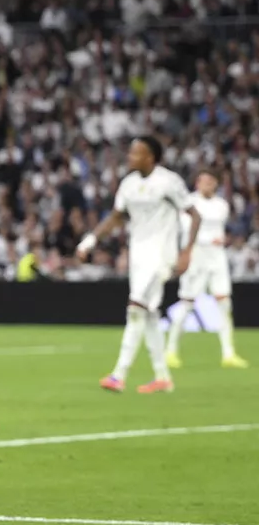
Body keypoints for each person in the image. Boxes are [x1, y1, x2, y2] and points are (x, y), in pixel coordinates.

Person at [76, 136, 201, 394]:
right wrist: (89, 241)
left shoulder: (168, 181)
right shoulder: (129, 184)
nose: (130, 157)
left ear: (150, 157)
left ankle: (118, 374)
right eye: (131, 152)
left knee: (136, 308)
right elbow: (116, 217)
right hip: (139, 255)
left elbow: (194, 214)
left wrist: (187, 251)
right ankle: (162, 377)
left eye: (136, 153)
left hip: (163, 254)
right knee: (150, 313)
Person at [165, 170, 248, 369]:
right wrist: (209, 240)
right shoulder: (189, 203)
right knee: (186, 304)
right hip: (195, 256)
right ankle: (170, 351)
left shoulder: (222, 205)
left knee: (225, 304)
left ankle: (228, 354)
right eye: (203, 181)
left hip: (217, 258)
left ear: (216, 184)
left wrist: (216, 241)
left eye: (211, 181)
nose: (206, 185)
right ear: (197, 183)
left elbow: (218, 228)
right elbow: (186, 230)